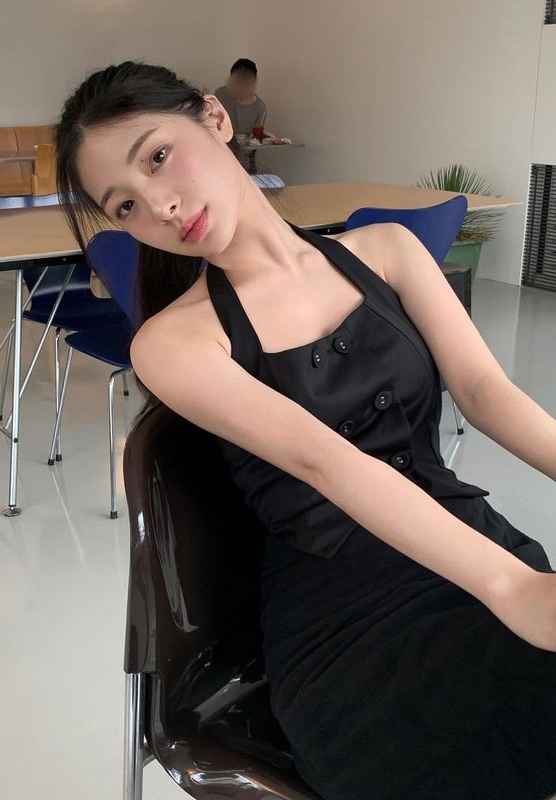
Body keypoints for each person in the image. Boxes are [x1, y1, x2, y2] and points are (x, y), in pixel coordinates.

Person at [54, 60, 556, 800]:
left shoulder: (388, 250)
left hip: (465, 541)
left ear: (215, 118)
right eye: (124, 205)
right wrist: (513, 590)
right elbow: (328, 463)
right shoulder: (174, 344)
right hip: (353, 623)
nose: (159, 206)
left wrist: (514, 582)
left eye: (157, 156)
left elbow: (485, 392)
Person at [214, 58, 269, 139]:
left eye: (245, 82)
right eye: (237, 81)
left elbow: (255, 139)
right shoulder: (220, 95)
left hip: (244, 146)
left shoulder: (260, 108)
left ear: (253, 82)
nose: (240, 86)